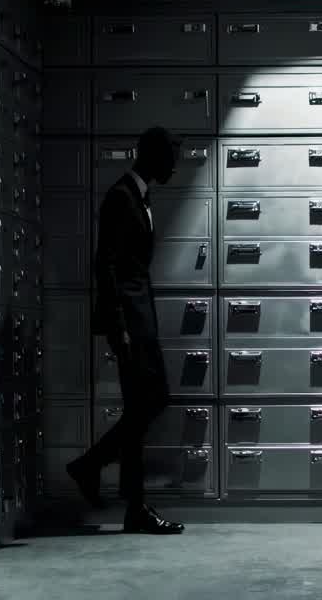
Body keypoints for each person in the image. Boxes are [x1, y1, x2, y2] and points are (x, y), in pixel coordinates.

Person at [66, 127, 184, 535]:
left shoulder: (139, 196)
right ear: (152, 155)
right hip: (130, 323)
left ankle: (92, 466)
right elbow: (108, 266)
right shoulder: (121, 197)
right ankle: (133, 506)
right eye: (171, 155)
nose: (175, 164)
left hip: (140, 318)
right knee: (143, 407)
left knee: (150, 404)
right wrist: (121, 329)